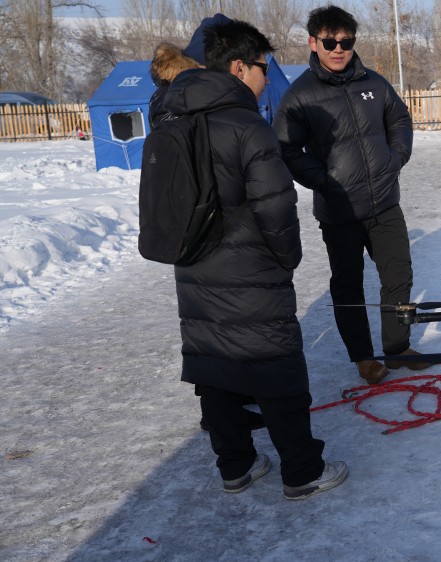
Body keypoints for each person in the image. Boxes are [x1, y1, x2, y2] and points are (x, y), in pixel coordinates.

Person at [152, 18, 347, 500]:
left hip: (194, 268)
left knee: (214, 367)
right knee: (276, 369)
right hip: (252, 269)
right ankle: (302, 471)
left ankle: (235, 466)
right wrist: (286, 260)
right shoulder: (246, 126)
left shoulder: (171, 117)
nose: (265, 78)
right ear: (239, 68)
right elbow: (276, 206)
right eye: (263, 67)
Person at [273, 5, 425, 386]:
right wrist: (325, 180)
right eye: (330, 42)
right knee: (348, 286)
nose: (339, 49)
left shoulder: (375, 83)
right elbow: (286, 149)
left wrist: (397, 155)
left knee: (399, 275)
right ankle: (364, 358)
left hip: (385, 203)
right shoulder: (299, 96)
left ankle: (398, 347)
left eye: (346, 41)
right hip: (339, 211)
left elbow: (399, 118)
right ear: (313, 43)